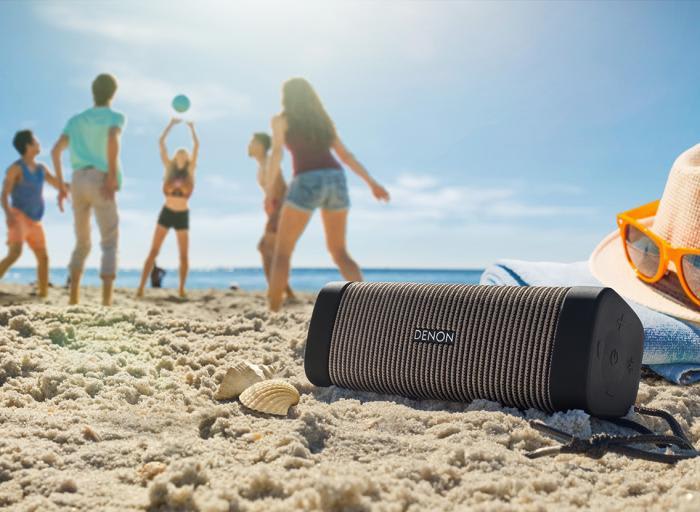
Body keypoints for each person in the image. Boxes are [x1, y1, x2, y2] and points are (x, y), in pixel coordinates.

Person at [266, 78, 390, 311]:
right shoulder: (323, 123)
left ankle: (272, 311)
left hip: (307, 179)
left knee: (282, 252)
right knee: (339, 251)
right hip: (336, 179)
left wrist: (270, 192)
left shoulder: (281, 119)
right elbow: (345, 156)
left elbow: (276, 155)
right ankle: (366, 307)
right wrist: (372, 183)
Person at [51, 73, 126, 306]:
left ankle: (73, 298)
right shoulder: (114, 117)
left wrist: (62, 186)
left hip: (77, 181)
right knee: (109, 241)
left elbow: (55, 151)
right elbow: (112, 138)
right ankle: (106, 303)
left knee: (82, 241)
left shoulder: (75, 121)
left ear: (93, 93)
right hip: (100, 179)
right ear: (113, 94)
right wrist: (111, 176)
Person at [136, 118, 199, 298]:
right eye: (179, 152)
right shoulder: (169, 169)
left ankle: (181, 288)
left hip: (182, 215)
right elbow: (161, 143)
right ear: (175, 156)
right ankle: (141, 287)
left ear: (187, 158)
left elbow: (196, 146)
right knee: (154, 251)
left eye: (184, 153)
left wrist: (192, 129)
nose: (182, 154)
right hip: (167, 212)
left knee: (184, 255)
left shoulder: (190, 171)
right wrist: (170, 125)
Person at [0, 130, 67, 297]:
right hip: (18, 216)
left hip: (35, 219)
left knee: (43, 258)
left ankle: (43, 295)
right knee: (15, 253)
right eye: (36, 141)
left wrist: (77, 187)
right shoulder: (16, 168)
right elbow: (4, 194)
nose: (39, 143)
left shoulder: (41, 169)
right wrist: (8, 214)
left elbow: (57, 184)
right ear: (28, 145)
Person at [247, 131, 295, 300]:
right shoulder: (262, 165)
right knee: (269, 250)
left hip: (281, 209)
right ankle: (284, 291)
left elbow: (282, 188)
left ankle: (277, 291)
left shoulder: (269, 163)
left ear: (261, 146)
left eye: (253, 142)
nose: (249, 145)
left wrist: (277, 211)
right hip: (276, 211)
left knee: (267, 249)